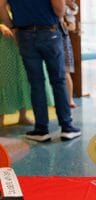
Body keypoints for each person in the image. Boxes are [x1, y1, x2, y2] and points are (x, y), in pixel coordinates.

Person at [0, 0, 81, 142]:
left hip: (24, 35)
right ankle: (67, 128)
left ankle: (41, 130)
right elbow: (59, 7)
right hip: (49, 32)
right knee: (58, 81)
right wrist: (60, 12)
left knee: (36, 83)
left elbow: (1, 5)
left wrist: (12, 27)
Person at [0, 24, 33, 127]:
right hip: (3, 44)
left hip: (19, 42)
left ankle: (22, 116)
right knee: (3, 80)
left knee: (21, 77)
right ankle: (1, 119)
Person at [61, 0, 78, 108]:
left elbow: (73, 27)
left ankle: (70, 99)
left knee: (65, 72)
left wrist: (63, 24)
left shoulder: (67, 10)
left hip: (63, 40)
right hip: (53, 40)